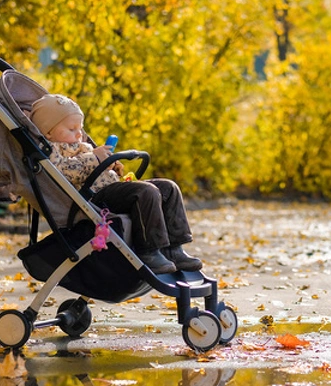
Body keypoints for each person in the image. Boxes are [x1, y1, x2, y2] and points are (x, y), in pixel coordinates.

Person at [29, 93, 202, 274]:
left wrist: (111, 164)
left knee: (168, 188)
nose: (79, 133)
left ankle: (174, 249)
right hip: (93, 198)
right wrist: (94, 158)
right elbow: (64, 172)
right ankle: (149, 251)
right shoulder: (50, 151)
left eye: (80, 128)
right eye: (72, 129)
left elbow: (94, 164)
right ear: (48, 132)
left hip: (110, 188)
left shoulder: (83, 146)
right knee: (145, 192)